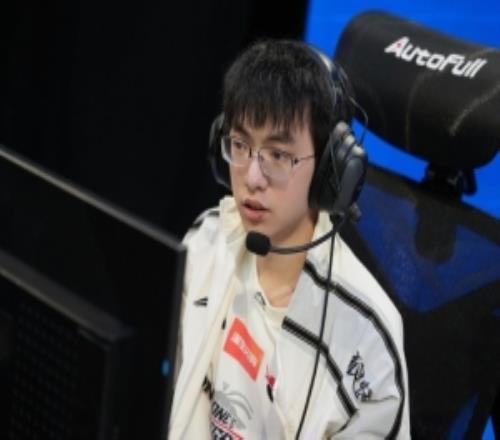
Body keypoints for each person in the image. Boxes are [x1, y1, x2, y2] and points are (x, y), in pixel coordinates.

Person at [169, 39, 410, 439]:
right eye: (240, 145)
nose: (252, 177)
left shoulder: (366, 336)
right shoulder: (206, 242)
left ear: (331, 171)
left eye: (278, 156)